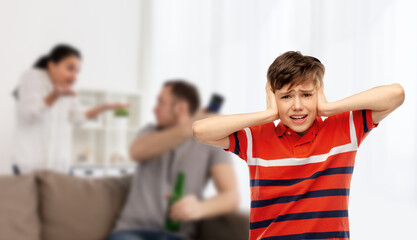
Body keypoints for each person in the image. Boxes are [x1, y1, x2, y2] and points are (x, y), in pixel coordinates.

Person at [193, 51, 405, 240]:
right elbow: (200, 131)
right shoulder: (256, 138)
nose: (297, 106)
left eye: (306, 95)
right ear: (274, 98)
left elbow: (396, 94)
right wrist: (267, 114)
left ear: (318, 93)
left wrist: (329, 108)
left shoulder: (344, 130)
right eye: (286, 96)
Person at [107, 80, 239, 240]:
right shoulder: (149, 132)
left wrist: (200, 208)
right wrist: (191, 128)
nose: (154, 109)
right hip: (131, 231)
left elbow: (232, 196)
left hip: (177, 235)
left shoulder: (211, 143)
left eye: (161, 102)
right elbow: (136, 152)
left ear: (180, 108)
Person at [12, 44, 128, 174]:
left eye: (77, 71)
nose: (74, 76)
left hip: (59, 166)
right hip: (29, 167)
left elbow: (76, 118)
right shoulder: (32, 77)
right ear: (51, 66)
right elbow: (30, 115)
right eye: (70, 68)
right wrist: (55, 96)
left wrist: (103, 107)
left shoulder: (67, 88)